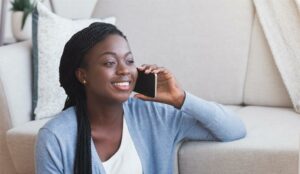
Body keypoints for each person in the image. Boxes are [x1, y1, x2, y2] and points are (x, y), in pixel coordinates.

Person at [35, 22, 246, 174]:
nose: (124, 70)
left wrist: (180, 98)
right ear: (83, 75)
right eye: (109, 63)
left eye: (129, 61)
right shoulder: (56, 137)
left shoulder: (155, 116)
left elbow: (233, 130)